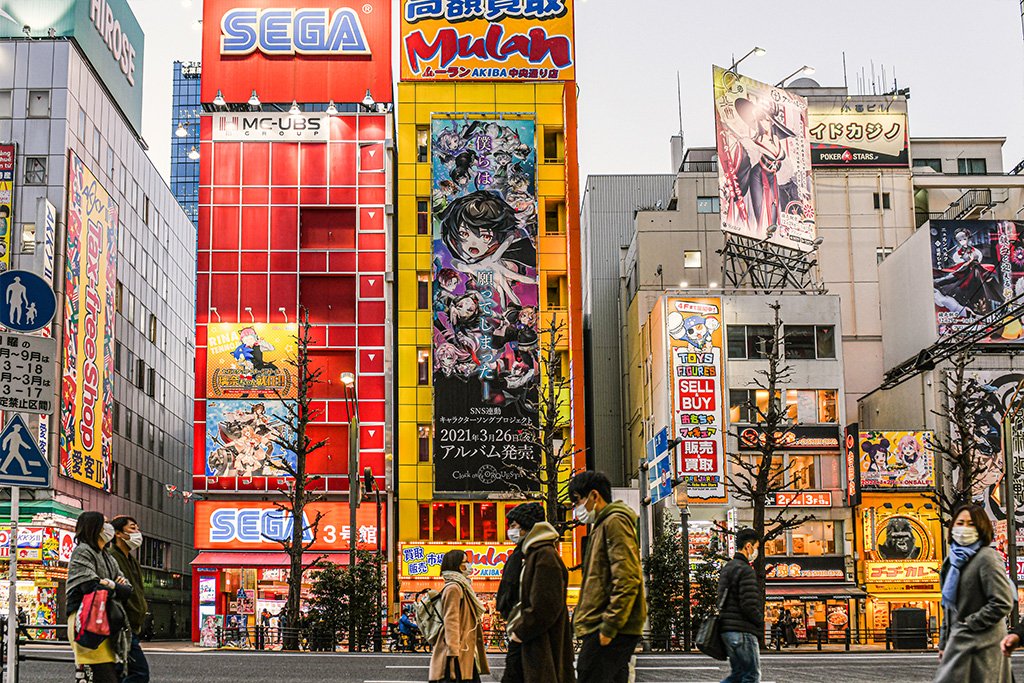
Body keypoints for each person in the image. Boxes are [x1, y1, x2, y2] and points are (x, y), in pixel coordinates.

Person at [570, 471, 645, 683]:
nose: (577, 508)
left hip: (608, 626)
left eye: (578, 500)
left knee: (588, 675)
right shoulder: (602, 525)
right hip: (607, 624)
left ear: (594, 495)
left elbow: (627, 577)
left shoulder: (614, 522)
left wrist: (610, 626)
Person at [936, 503, 1013, 682]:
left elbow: (1002, 602)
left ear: (981, 528)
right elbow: (948, 607)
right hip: (960, 641)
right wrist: (944, 643)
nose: (964, 528)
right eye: (960, 523)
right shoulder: (951, 562)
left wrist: (967, 625)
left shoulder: (987, 557)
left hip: (984, 643)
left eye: (971, 524)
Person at [505, 503, 574, 683]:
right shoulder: (535, 554)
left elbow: (545, 606)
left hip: (537, 643)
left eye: (513, 526)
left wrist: (520, 632)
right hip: (532, 640)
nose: (510, 531)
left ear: (526, 527)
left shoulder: (544, 556)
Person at [66, 511, 133, 683]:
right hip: (88, 621)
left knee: (106, 674)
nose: (109, 527)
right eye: (105, 523)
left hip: (105, 620)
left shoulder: (107, 556)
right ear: (94, 527)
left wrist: (107, 583)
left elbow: (128, 590)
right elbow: (89, 586)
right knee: (103, 675)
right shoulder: (82, 552)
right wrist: (115, 585)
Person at [428, 550, 490, 683]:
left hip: (462, 648)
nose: (468, 565)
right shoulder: (454, 588)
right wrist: (453, 651)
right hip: (457, 650)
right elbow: (451, 621)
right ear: (456, 565)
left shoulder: (461, 586)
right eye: (465, 562)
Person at [716, 527, 764, 683]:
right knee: (751, 675)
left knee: (738, 675)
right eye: (756, 547)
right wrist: (759, 621)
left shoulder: (727, 568)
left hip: (727, 631)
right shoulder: (746, 570)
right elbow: (748, 604)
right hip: (743, 631)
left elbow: (720, 599)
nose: (755, 552)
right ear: (748, 546)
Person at [109, 516, 149, 682]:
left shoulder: (131, 560)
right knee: (139, 672)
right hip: (121, 624)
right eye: (132, 528)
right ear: (118, 533)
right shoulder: (112, 557)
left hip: (131, 625)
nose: (137, 533)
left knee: (121, 672)